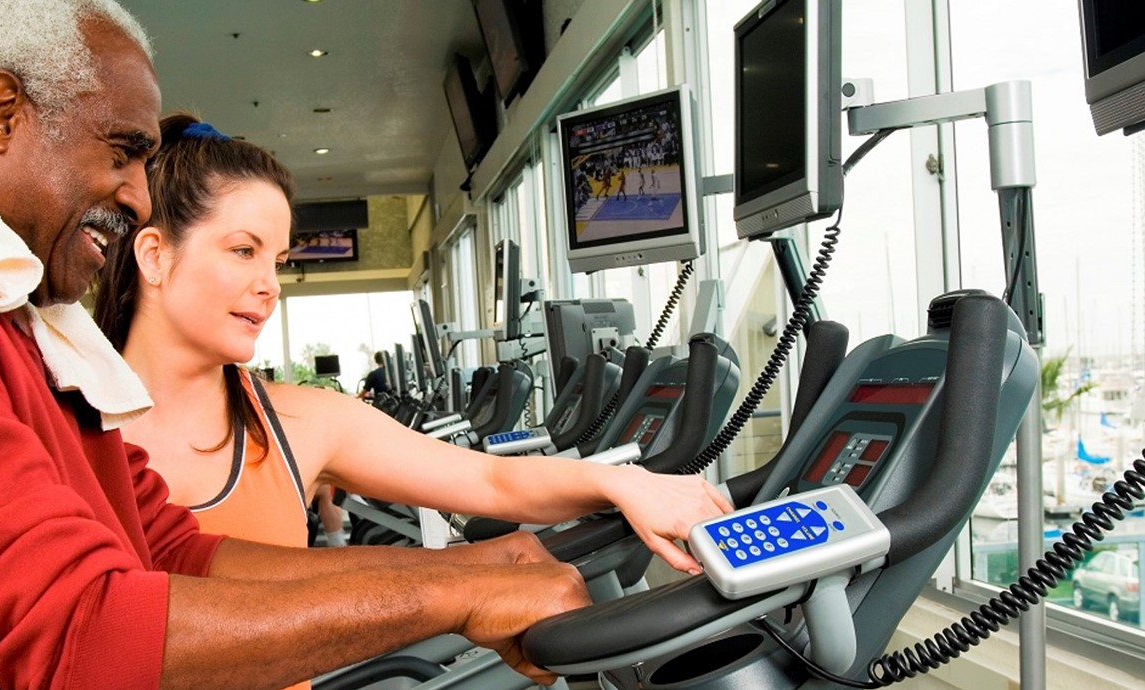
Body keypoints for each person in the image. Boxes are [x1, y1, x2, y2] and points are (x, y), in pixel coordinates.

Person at [0, 2, 591, 688]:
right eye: (120, 152)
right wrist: (451, 597)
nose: (138, 198)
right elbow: (63, 633)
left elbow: (166, 550)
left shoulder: (8, 320)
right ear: (0, 114)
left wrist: (470, 564)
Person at [94, 111, 733, 584]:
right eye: (243, 250)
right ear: (154, 254)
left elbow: (491, 478)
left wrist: (625, 482)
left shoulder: (298, 423)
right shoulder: (51, 425)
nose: (268, 287)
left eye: (279, 262)